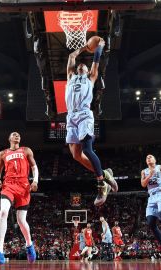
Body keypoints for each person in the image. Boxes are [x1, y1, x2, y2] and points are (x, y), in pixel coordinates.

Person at [65, 38, 118, 206]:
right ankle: (107, 174)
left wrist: (99, 46)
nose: (81, 65)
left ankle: (102, 184)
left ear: (88, 70)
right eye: (79, 65)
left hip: (84, 115)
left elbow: (96, 60)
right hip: (71, 116)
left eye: (84, 66)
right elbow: (72, 56)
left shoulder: (91, 77)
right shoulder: (70, 76)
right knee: (75, 155)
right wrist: (83, 48)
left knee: (87, 150)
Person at [0, 132, 38, 265]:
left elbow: (34, 167)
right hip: (9, 185)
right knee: (3, 212)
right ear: (9, 139)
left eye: (18, 134)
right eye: (14, 134)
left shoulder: (26, 150)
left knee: (21, 220)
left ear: (20, 139)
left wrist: (35, 181)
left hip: (23, 186)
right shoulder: (3, 153)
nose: (16, 135)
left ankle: (29, 245)